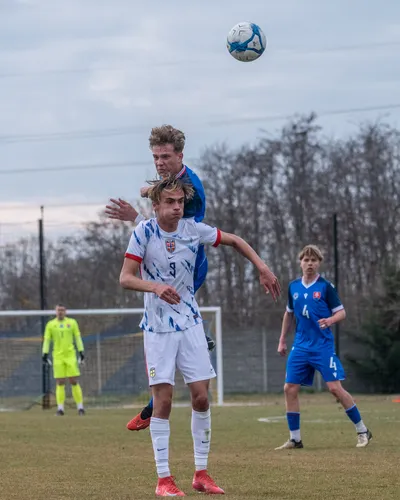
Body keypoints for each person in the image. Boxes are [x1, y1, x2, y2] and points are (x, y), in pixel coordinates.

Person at [119, 176, 280, 496]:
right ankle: (163, 480)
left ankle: (201, 474)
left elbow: (234, 240)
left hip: (190, 323)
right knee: (162, 401)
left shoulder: (193, 229)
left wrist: (262, 266)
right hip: (158, 328)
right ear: (156, 206)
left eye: (180, 202)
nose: (177, 208)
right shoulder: (143, 232)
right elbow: (125, 278)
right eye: (170, 202)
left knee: (202, 397)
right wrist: (155, 287)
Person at [105, 125, 214, 431]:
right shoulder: (172, 181)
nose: (159, 162)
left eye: (165, 156)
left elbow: (170, 236)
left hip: (188, 264)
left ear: (180, 155)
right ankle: (156, 402)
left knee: (177, 315)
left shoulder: (188, 190)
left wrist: (138, 215)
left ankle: (199, 338)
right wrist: (147, 194)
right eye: (155, 156)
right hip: (173, 258)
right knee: (166, 318)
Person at [275, 245, 372, 450]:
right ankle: (295, 439)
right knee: (289, 388)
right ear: (300, 262)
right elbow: (289, 314)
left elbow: (342, 313)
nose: (310, 263)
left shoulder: (326, 287)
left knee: (335, 388)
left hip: (322, 347)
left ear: (319, 263)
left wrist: (329, 320)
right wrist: (282, 339)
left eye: (314, 260)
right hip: (300, 346)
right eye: (306, 260)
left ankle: (363, 430)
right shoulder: (293, 287)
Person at [42, 304, 85, 416]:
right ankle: (60, 409)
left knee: (73, 380)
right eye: (58, 310)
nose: (60, 312)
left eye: (62, 310)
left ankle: (80, 408)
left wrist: (81, 351)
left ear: (65, 311)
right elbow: (47, 340)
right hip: (58, 356)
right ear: (55, 311)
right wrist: (45, 353)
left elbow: (77, 337)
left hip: (70, 355)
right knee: (60, 382)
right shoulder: (51, 325)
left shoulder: (72, 322)